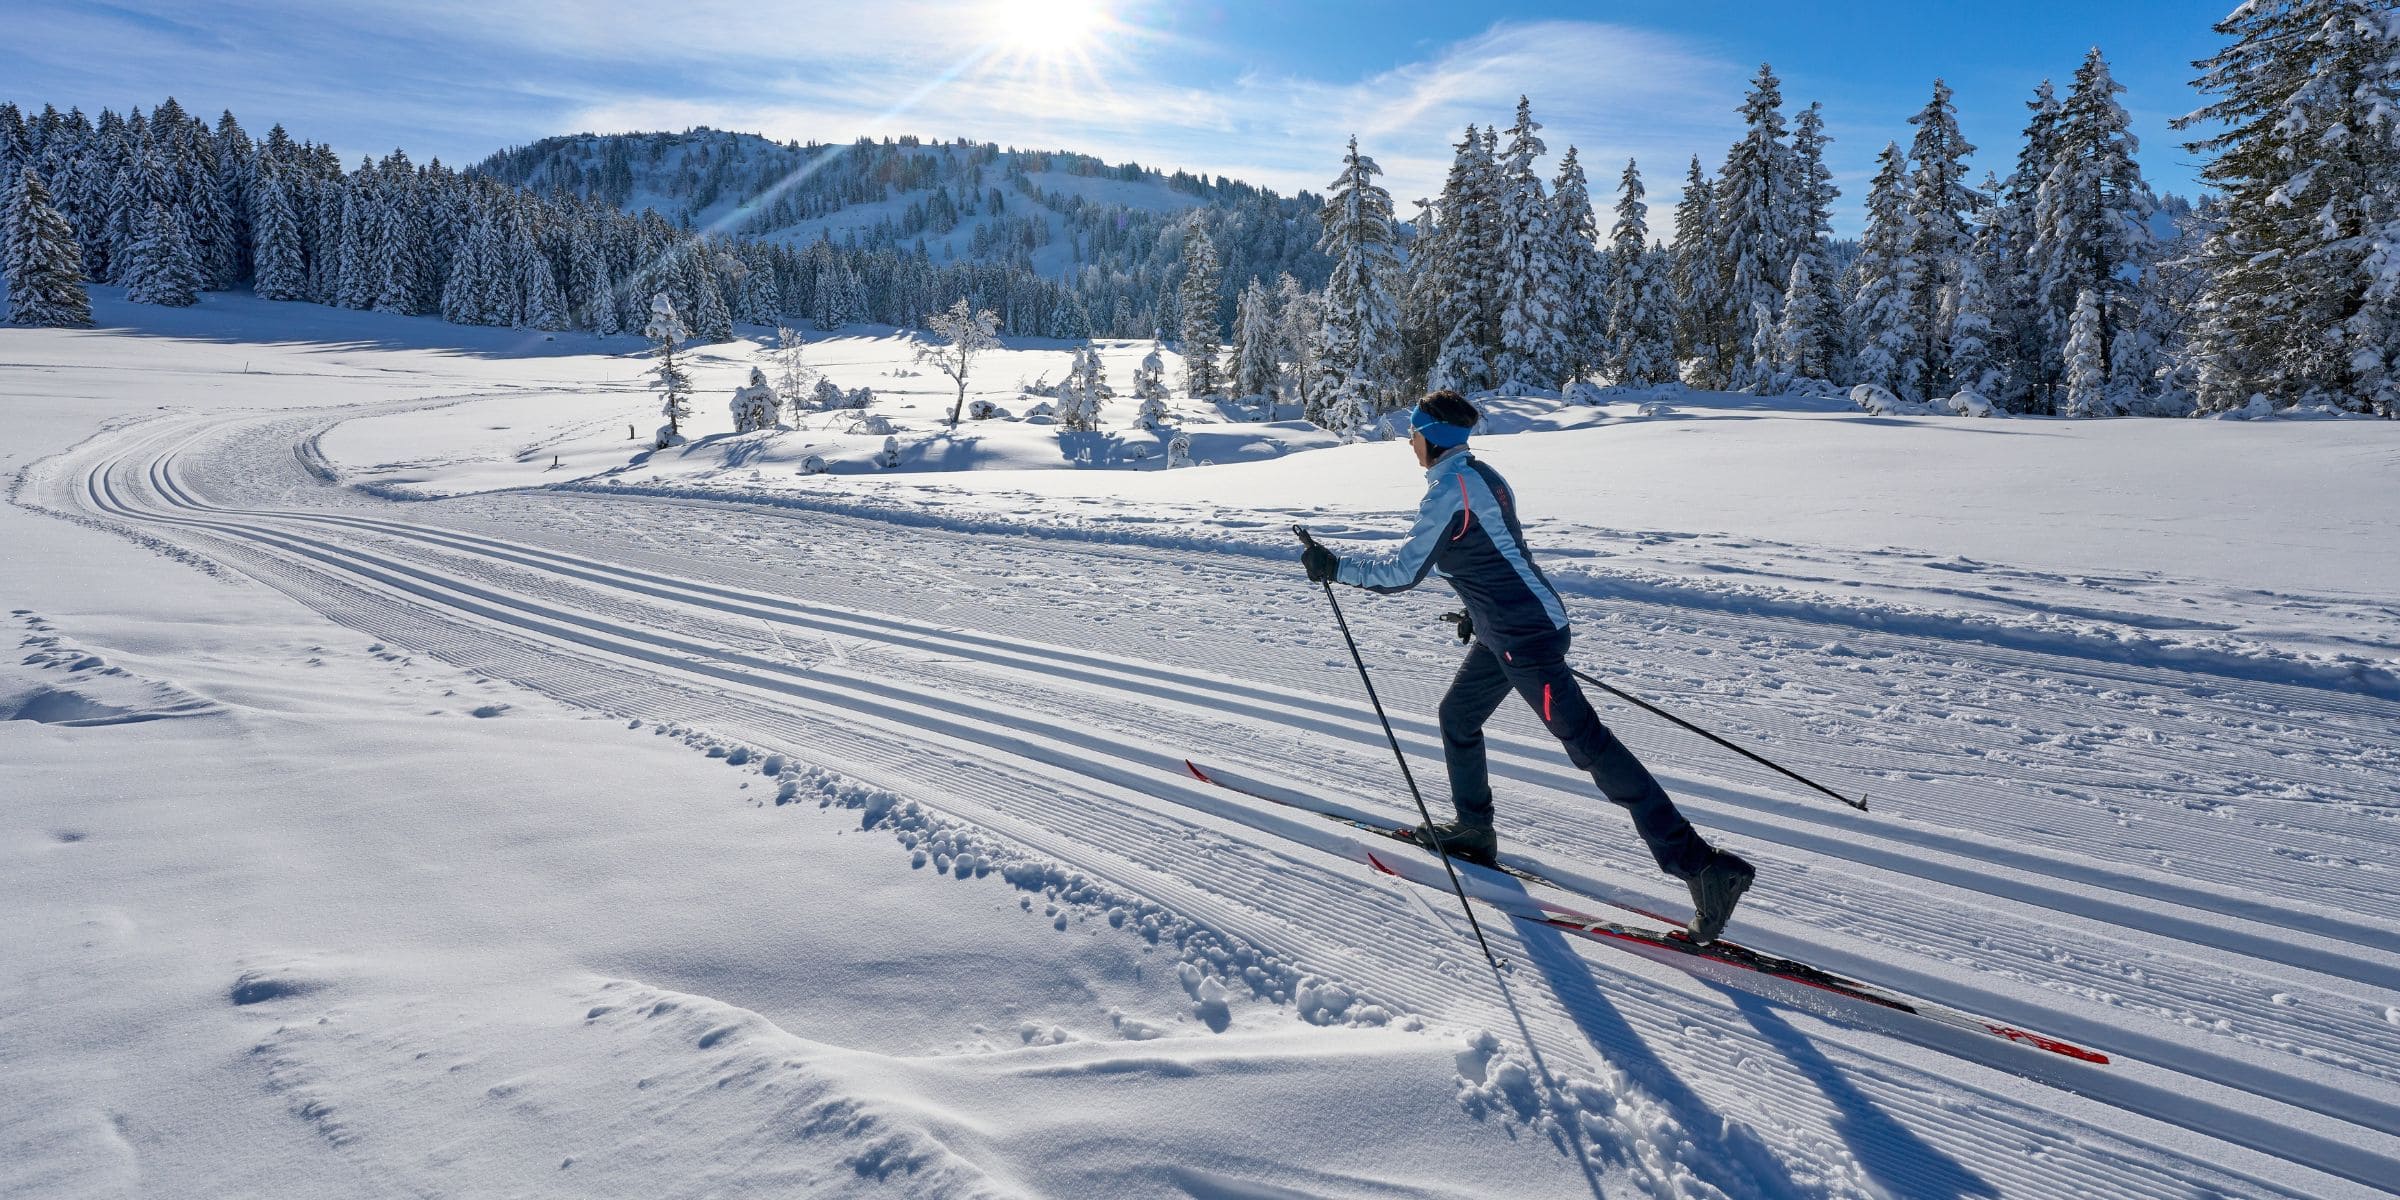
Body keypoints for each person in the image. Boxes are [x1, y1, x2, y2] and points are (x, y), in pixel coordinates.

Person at [1299, 390, 1756, 943]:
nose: (1409, 444)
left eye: (1414, 433)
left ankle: (1703, 867)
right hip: (1510, 629)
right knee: (1458, 716)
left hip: (1524, 638)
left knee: (1590, 746)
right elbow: (1498, 552)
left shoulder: (1450, 492)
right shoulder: (1483, 476)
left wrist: (1335, 566)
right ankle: (1473, 829)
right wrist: (1476, 609)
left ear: (1433, 437)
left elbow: (1403, 571)